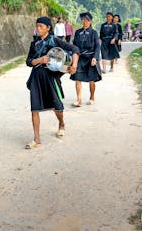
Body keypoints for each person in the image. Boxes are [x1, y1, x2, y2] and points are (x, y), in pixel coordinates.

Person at [25, 16, 79, 149]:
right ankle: (36, 139)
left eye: (41, 26)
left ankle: (61, 124)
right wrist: (39, 60)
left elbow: (75, 49)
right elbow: (28, 61)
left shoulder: (55, 41)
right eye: (37, 26)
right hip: (36, 77)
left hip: (51, 78)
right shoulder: (35, 43)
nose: (38, 29)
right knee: (34, 109)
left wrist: (74, 66)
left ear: (48, 28)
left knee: (57, 106)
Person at [70, 12, 101, 107]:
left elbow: (97, 46)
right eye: (83, 19)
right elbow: (74, 46)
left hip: (91, 58)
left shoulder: (94, 33)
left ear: (90, 21)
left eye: (86, 20)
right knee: (77, 78)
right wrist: (73, 58)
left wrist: (95, 57)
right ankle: (78, 100)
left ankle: (92, 97)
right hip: (80, 57)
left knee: (91, 79)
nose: (84, 21)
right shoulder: (78, 32)